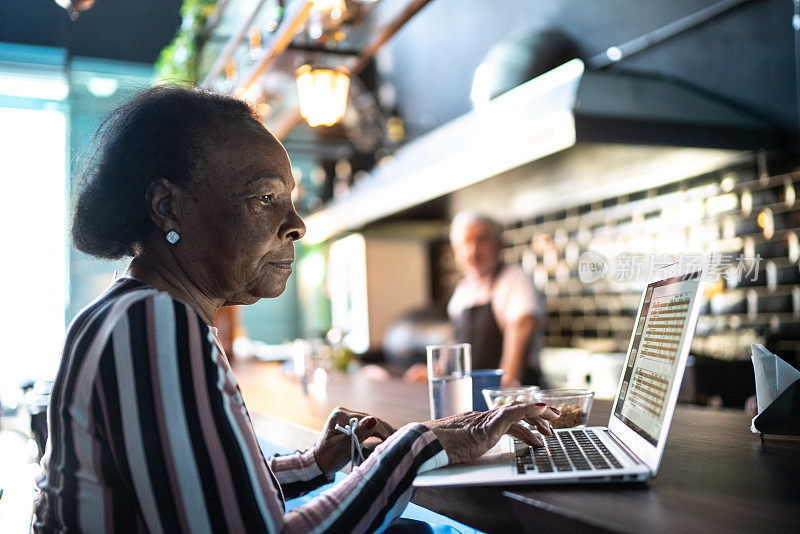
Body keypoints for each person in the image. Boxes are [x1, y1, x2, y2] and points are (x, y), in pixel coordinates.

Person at [33, 86, 559, 533]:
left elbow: (210, 499)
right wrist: (424, 440)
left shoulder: (135, 314)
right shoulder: (151, 326)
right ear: (168, 205)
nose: (297, 224)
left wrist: (315, 463)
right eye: (265, 198)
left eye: (291, 198)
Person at [447, 211, 545, 387]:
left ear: (500, 244)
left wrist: (505, 386)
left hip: (512, 397)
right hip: (473, 394)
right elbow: (456, 344)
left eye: (481, 240)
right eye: (465, 243)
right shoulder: (461, 292)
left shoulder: (515, 279)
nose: (473, 251)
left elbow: (523, 325)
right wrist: (439, 373)